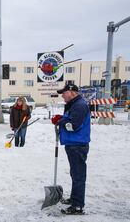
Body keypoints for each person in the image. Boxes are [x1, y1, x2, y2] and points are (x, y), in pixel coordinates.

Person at [51, 84, 90, 215]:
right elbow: (69, 119)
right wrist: (61, 118)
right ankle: (74, 199)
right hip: (73, 144)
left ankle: (78, 206)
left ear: (72, 92)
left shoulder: (79, 106)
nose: (62, 95)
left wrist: (60, 121)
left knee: (78, 176)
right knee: (75, 174)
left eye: (64, 93)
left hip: (77, 145)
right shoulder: (74, 104)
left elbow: (73, 126)